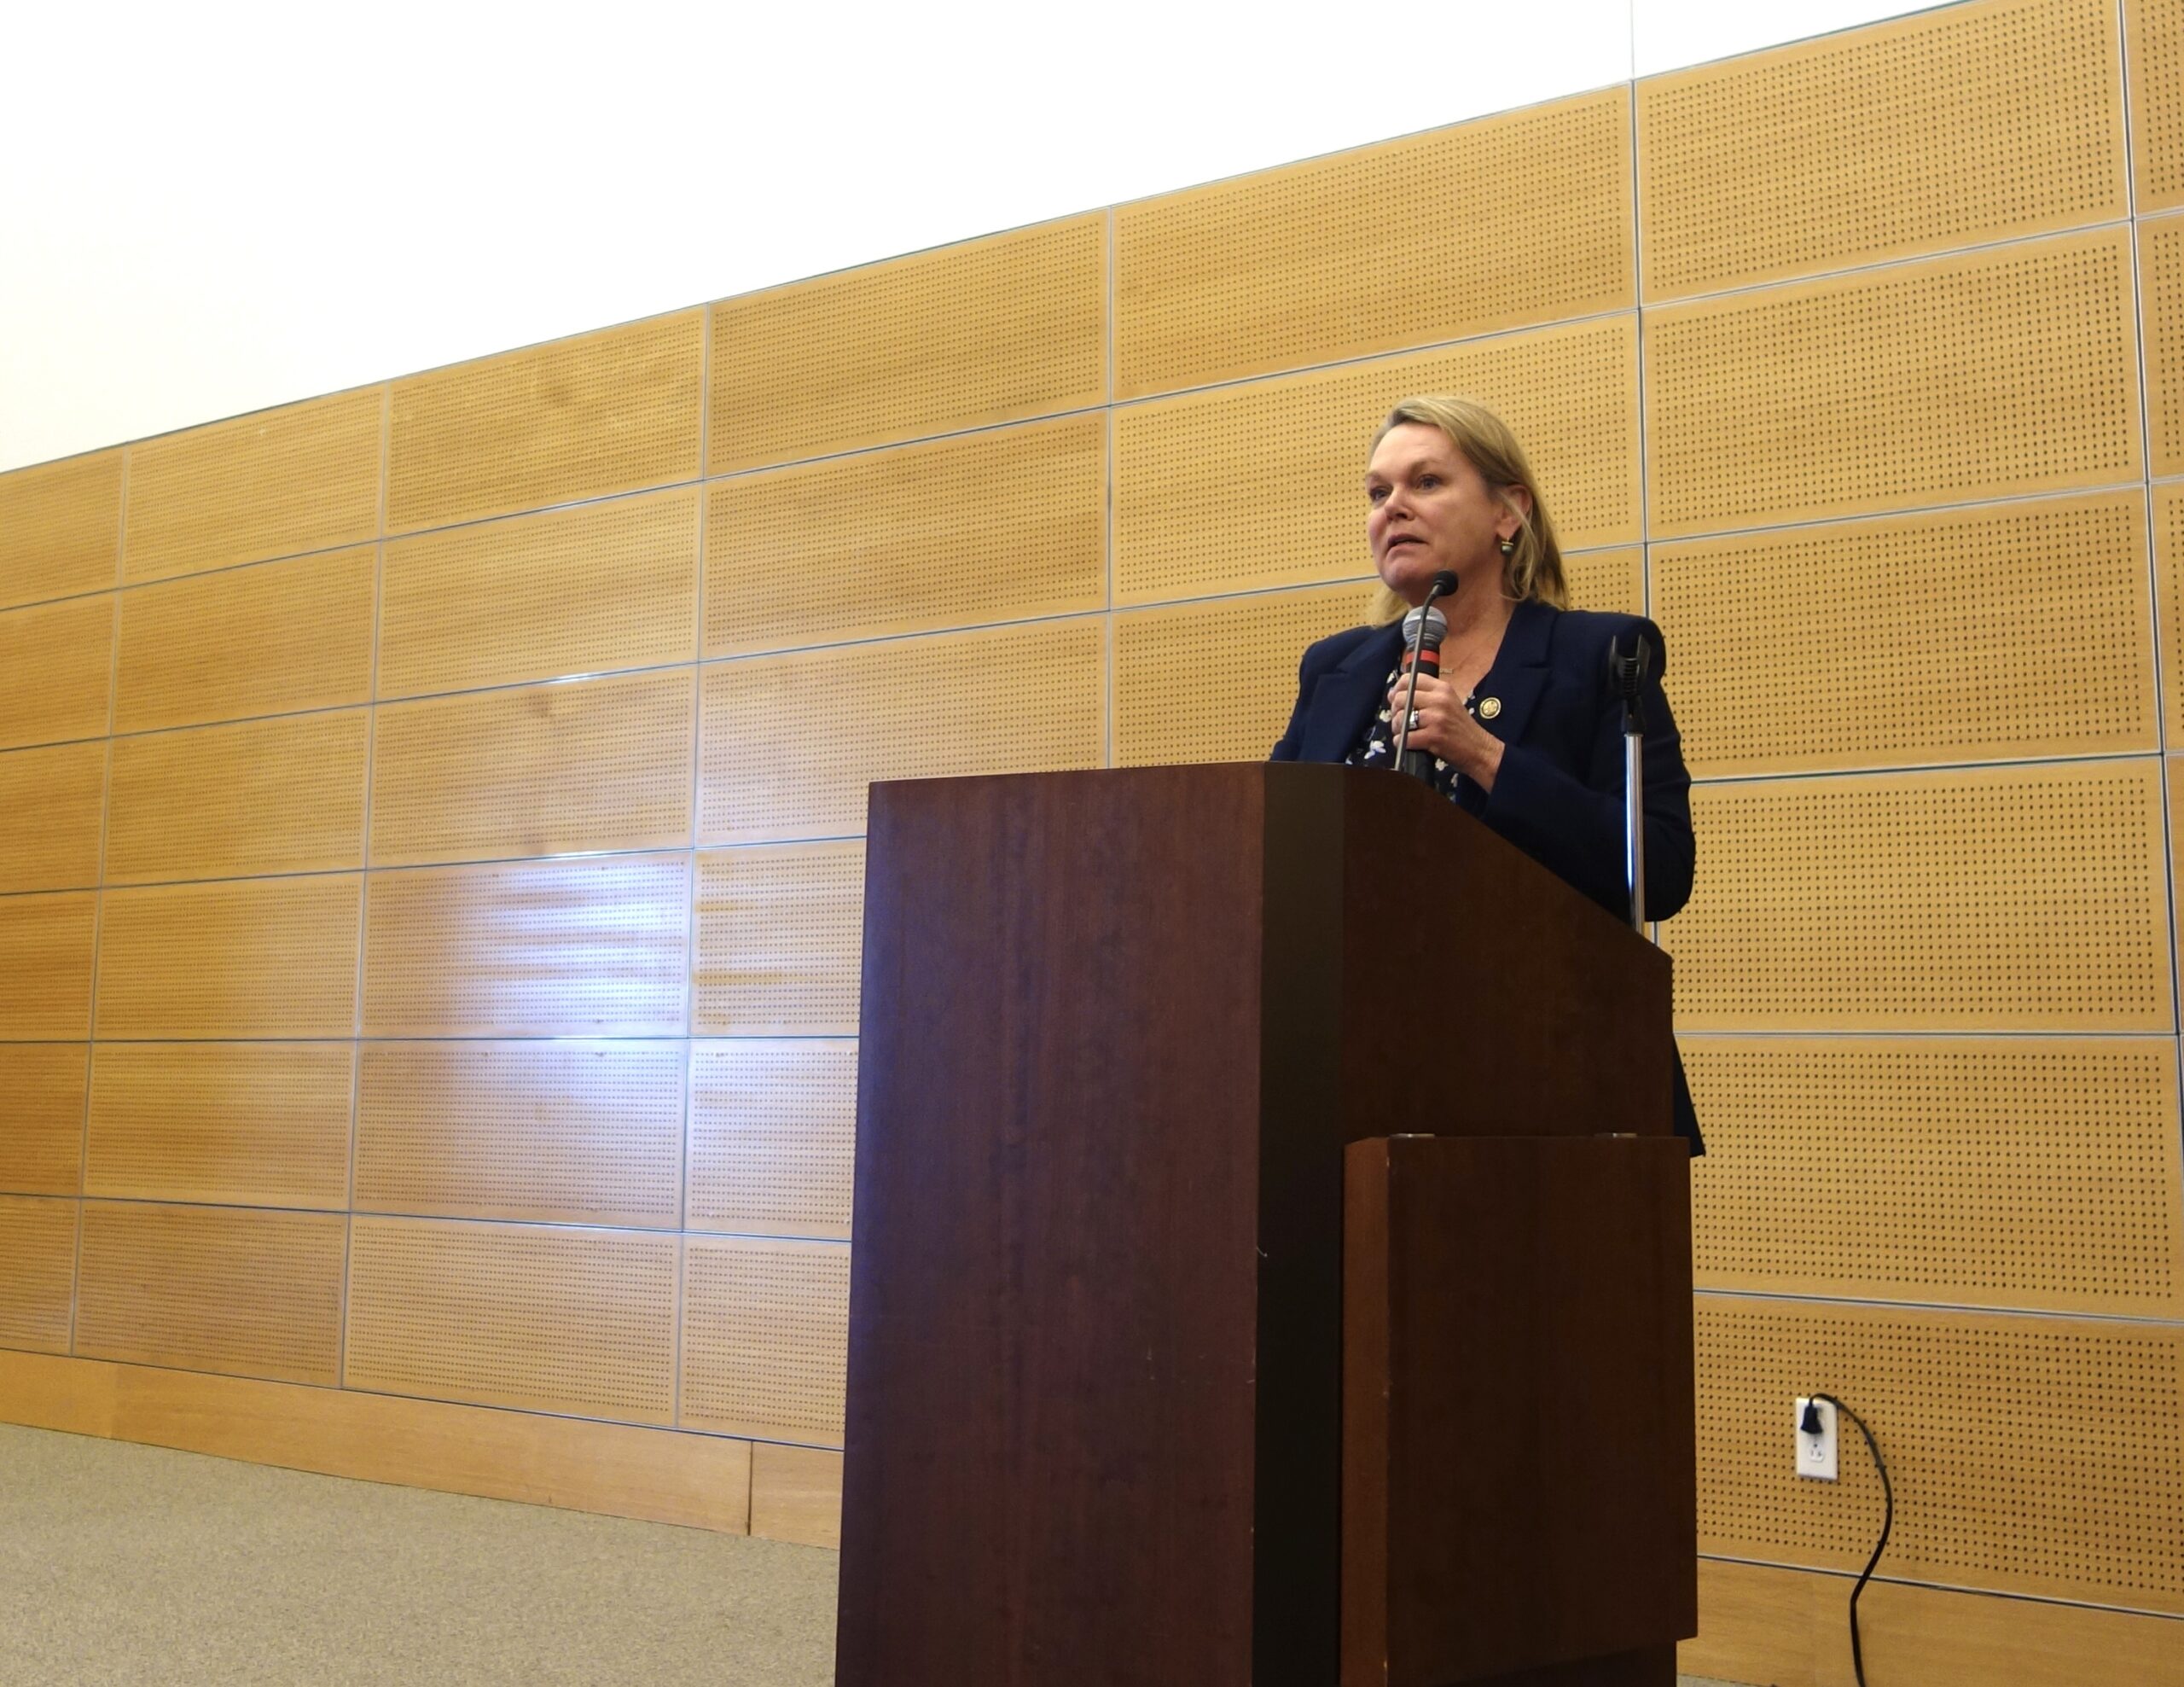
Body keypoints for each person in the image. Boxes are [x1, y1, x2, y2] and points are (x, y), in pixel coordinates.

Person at [1269, 395, 1703, 1153]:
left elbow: (1657, 868)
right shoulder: (1336, 670)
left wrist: (1483, 754)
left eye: (1426, 482)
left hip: (1551, 1073)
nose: (1393, 507)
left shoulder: (1600, 659)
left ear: (1509, 513)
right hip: (1353, 1077)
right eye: (1378, 493)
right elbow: (1267, 850)